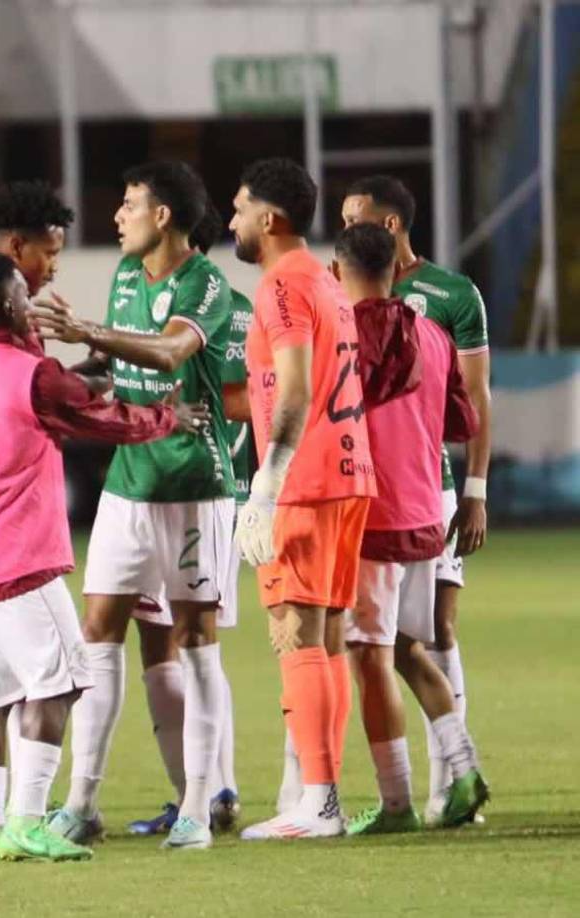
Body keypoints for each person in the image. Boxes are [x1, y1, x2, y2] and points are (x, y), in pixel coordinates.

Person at [0, 252, 209, 863]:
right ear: (9, 302)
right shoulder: (30, 373)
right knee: (60, 685)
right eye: (22, 289)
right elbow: (99, 415)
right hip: (22, 563)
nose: (30, 297)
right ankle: (27, 819)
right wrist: (167, 418)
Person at [33, 161, 237, 851]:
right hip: (128, 479)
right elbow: (120, 366)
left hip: (192, 485)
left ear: (165, 217)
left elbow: (173, 351)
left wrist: (88, 333)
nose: (117, 216)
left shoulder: (204, 283)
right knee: (98, 631)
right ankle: (82, 801)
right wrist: (58, 376)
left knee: (197, 643)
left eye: (129, 205)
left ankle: (198, 806)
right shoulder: (124, 276)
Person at [229, 158, 376, 840]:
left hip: (307, 483)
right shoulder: (325, 280)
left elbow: (294, 387)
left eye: (238, 209)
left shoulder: (281, 286)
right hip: (348, 476)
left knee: (293, 635)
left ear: (269, 218)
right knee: (327, 640)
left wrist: (267, 482)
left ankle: (318, 802)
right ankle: (319, 796)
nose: (231, 222)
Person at [341, 176, 491, 824]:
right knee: (410, 648)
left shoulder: (350, 332)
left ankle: (395, 800)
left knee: (368, 654)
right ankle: (464, 769)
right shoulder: (431, 335)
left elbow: (328, 414)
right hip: (427, 509)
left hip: (373, 512)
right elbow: (463, 418)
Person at [126, 202, 251, 838]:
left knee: (194, 638)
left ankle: (213, 789)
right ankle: (199, 791)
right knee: (167, 637)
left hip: (199, 488)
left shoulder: (222, 306)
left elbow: (245, 398)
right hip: (152, 485)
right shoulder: (137, 284)